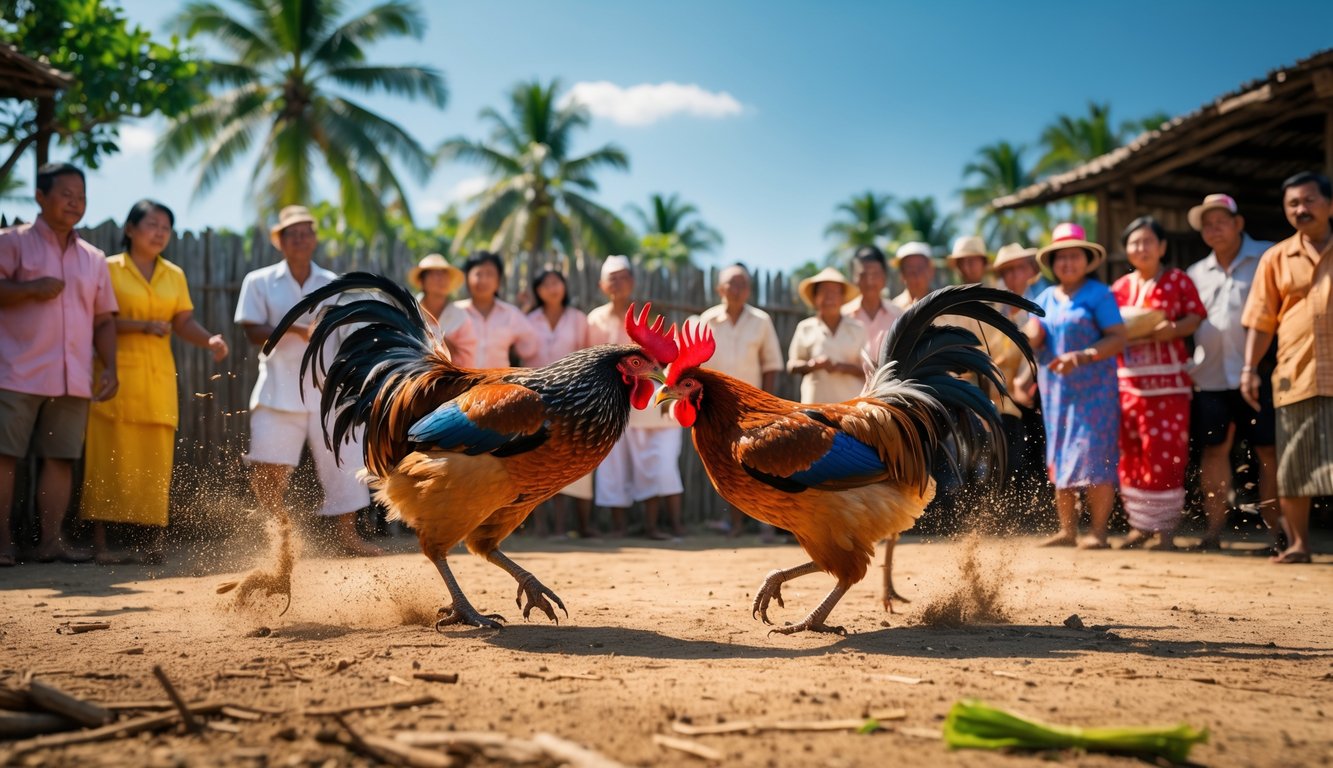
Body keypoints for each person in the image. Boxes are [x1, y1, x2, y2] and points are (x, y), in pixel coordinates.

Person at [79, 200, 230, 565]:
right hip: (113, 376)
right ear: (130, 229)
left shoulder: (174, 274)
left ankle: (153, 542)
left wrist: (209, 340)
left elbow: (182, 322)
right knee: (106, 455)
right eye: (152, 224)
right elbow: (94, 319)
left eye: (166, 226)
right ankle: (101, 544)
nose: (160, 232)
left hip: (157, 378)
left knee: (155, 457)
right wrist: (140, 326)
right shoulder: (107, 268)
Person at [235, 205, 382, 556]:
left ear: (315, 239)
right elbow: (252, 330)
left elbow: (349, 333)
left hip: (326, 390)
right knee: (268, 465)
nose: (300, 239)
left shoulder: (334, 283)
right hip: (277, 389)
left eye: (306, 232)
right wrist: (298, 329)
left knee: (344, 464)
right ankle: (278, 537)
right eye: (292, 233)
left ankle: (348, 537)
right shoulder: (258, 281)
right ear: (280, 240)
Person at [0, 163, 117, 566]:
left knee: (61, 458)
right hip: (15, 371)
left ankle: (51, 541)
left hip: (73, 377)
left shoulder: (94, 258)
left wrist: (110, 367)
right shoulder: (11, 242)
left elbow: (104, 319)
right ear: (40, 196)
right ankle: (2, 544)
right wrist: (30, 288)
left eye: (81, 196)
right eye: (66, 194)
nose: (75, 203)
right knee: (3, 456)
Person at [1241, 171, 1333, 564]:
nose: (1300, 209)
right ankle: (1299, 544)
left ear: (1329, 204)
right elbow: (1261, 320)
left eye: (1309, 200)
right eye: (1293, 203)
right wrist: (1248, 368)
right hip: (1298, 373)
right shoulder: (1276, 257)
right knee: (1295, 464)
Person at [1185, 193, 1283, 552]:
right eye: (1207, 225)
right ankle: (1213, 533)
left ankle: (1279, 536)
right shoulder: (1195, 273)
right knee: (1214, 451)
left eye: (1221, 221)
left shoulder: (1268, 256)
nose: (1214, 229)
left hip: (1260, 373)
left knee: (1268, 451)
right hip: (1210, 377)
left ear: (1238, 223)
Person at [1025, 223, 1127, 549]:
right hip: (1057, 395)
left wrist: (1084, 355)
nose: (1067, 263)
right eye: (1061, 257)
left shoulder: (1100, 294)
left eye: (1074, 256)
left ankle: (1098, 533)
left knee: (1095, 458)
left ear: (1086, 260)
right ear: (1053, 263)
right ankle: (1067, 532)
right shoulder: (1044, 297)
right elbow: (1034, 338)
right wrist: (1026, 337)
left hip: (1096, 394)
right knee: (1062, 456)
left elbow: (1118, 337)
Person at [1111, 216, 1204, 550]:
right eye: (1134, 242)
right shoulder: (1119, 288)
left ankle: (1164, 530)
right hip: (1127, 383)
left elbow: (1195, 316)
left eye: (1148, 241)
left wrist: (1174, 329)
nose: (1142, 248)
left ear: (1162, 246)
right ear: (1126, 250)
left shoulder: (1178, 280)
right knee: (1131, 453)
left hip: (1169, 386)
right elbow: (1106, 328)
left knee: (1165, 454)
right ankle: (1139, 526)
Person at [587, 256, 684, 539]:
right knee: (613, 465)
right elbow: (589, 361)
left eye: (623, 277)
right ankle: (619, 528)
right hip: (610, 401)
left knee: (652, 463)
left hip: (648, 397)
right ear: (602, 285)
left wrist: (669, 394)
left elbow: (669, 357)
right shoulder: (594, 319)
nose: (618, 283)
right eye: (612, 278)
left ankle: (652, 527)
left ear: (632, 281)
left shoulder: (649, 315)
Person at [695, 263, 785, 539]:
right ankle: (735, 524)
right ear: (719, 289)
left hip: (752, 408)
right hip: (716, 408)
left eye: (742, 284)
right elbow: (696, 367)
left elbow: (771, 364)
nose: (737, 289)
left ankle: (767, 524)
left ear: (749, 290)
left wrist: (767, 406)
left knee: (764, 463)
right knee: (727, 467)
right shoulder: (707, 320)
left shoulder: (761, 320)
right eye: (731, 284)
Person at [522, 265, 595, 538]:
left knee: (571, 458)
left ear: (564, 286)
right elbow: (519, 351)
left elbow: (590, 355)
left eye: (556, 282)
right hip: (535, 397)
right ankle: (541, 526)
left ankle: (573, 526)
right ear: (537, 291)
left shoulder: (578, 319)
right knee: (536, 458)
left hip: (572, 396)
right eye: (545, 284)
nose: (552, 288)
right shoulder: (529, 319)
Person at [990, 243, 1048, 518]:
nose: (1013, 275)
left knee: (1038, 449)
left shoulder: (1041, 305)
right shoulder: (997, 311)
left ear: (1030, 271)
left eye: (1018, 268)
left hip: (1036, 391)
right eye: (1008, 270)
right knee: (1011, 452)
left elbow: (1042, 348)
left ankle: (1042, 510)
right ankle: (1015, 511)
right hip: (1004, 394)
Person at [788, 266, 867, 404]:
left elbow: (868, 369)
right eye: (823, 291)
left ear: (842, 298)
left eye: (835, 292)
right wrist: (812, 365)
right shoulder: (805, 328)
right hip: (814, 407)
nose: (829, 297)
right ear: (815, 298)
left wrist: (842, 367)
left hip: (851, 408)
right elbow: (792, 365)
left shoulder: (858, 328)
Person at [455, 251, 536, 369]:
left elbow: (530, 348)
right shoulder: (454, 312)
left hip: (500, 380)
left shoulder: (511, 314)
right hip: (461, 380)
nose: (483, 280)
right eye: (478, 274)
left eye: (489, 274)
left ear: (498, 281)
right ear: (467, 279)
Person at [409, 253, 476, 366]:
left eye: (444, 274)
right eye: (435, 274)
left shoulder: (461, 316)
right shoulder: (408, 311)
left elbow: (468, 358)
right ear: (422, 281)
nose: (441, 278)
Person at [843, 246, 903, 361]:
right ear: (854, 278)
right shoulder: (842, 317)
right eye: (863, 275)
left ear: (884, 276)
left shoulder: (899, 316)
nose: (869, 281)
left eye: (875, 274)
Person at [891, 241, 935, 310]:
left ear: (931, 271)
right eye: (910, 270)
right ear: (902, 274)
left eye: (920, 268)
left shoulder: (945, 305)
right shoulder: (894, 308)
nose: (916, 275)